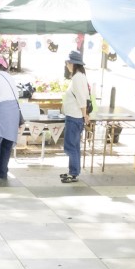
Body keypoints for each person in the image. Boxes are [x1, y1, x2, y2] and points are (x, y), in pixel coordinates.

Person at [58, 50, 91, 184]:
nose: (66, 65)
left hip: (74, 117)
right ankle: (74, 171)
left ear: (72, 63)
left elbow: (81, 99)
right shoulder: (81, 76)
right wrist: (85, 115)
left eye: (67, 63)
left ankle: (73, 173)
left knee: (70, 146)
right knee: (75, 146)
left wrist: (85, 114)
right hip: (76, 116)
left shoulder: (77, 78)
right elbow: (85, 97)